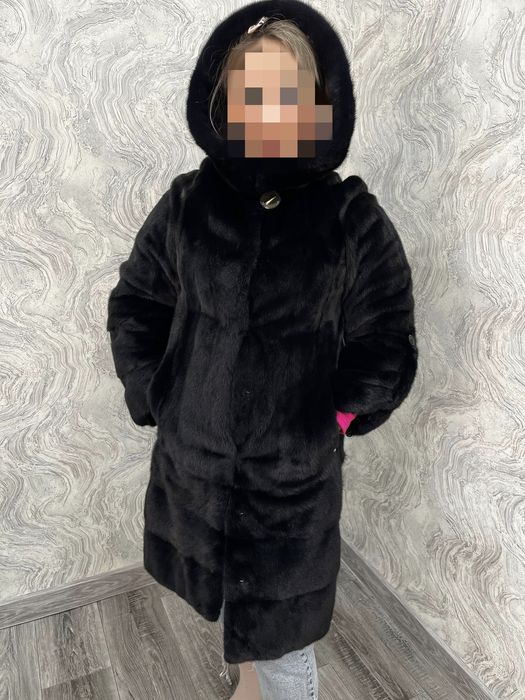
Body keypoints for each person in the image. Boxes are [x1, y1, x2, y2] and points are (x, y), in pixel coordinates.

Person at [106, 2, 418, 699]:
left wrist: (330, 422)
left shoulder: (350, 217)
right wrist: (156, 392)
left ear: (316, 103)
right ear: (225, 101)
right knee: (228, 612)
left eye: (286, 92)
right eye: (251, 91)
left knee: (281, 643)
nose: (267, 109)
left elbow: (385, 340)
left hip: (289, 487)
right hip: (194, 468)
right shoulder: (189, 202)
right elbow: (138, 302)